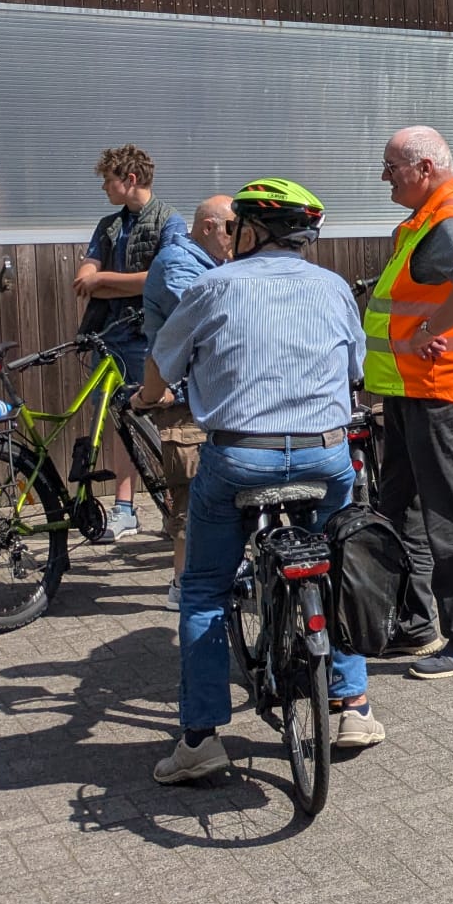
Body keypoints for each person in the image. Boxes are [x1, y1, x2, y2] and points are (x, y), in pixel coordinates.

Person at [142, 178, 382, 784]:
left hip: (240, 459)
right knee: (340, 565)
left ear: (250, 231)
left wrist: (149, 396)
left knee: (204, 588)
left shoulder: (214, 286)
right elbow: (355, 368)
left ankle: (200, 741)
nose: (229, 237)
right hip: (325, 456)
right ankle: (353, 706)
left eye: (234, 227)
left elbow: (161, 365)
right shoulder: (333, 288)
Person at [366, 126, 453, 679]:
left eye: (391, 167)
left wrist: (431, 328)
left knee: (450, 516)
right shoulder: (433, 215)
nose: (384, 177)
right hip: (414, 390)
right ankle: (416, 625)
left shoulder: (448, 217)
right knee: (402, 509)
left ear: (424, 168)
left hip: (440, 391)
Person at [75, 145, 183, 540]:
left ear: (130, 179)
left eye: (108, 180)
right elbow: (84, 276)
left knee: (158, 419)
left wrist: (103, 280)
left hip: (147, 335)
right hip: (108, 336)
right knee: (118, 420)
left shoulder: (169, 221)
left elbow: (159, 278)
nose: (104, 187)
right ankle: (124, 508)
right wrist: (102, 280)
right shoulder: (108, 225)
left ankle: (174, 504)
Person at [140, 195, 237, 603]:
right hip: (183, 403)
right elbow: (209, 323)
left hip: (215, 398)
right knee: (192, 497)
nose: (236, 236)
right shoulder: (177, 264)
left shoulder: (214, 263)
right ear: (208, 227)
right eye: (231, 228)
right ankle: (184, 587)